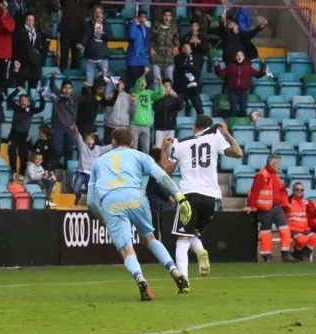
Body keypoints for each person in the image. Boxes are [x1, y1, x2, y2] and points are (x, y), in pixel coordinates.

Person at [87, 127, 192, 300]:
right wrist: (179, 196)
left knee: (127, 249)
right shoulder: (141, 156)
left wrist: (102, 217)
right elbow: (162, 176)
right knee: (149, 238)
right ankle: (174, 270)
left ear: (113, 142)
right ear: (132, 142)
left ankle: (140, 277)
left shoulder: (98, 162)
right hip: (136, 197)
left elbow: (91, 201)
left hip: (111, 202)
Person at [160, 115, 243, 278]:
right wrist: (226, 133)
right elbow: (238, 153)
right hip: (211, 197)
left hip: (189, 194)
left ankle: (183, 279)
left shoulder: (180, 143)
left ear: (194, 127)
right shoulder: (216, 138)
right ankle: (200, 250)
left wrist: (163, 149)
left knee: (182, 239)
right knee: (193, 232)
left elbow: (166, 171)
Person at [244, 155, 298, 262]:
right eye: (278, 164)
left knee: (285, 230)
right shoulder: (262, 175)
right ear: (273, 164)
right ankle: (266, 255)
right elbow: (255, 191)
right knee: (266, 232)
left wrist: (285, 204)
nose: (279, 167)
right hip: (266, 209)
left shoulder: (275, 175)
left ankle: (285, 253)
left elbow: (280, 191)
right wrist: (251, 206)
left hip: (277, 207)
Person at [214, 51, 269, 117]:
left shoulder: (248, 67)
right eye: (237, 55)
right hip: (233, 91)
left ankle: (242, 121)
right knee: (233, 111)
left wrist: (264, 71)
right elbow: (221, 74)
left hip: (244, 92)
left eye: (241, 55)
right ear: (235, 57)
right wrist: (217, 66)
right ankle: (223, 114)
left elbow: (257, 74)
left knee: (243, 111)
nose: (239, 56)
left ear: (244, 57)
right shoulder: (230, 66)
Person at [6, 89, 45, 176]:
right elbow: (9, 99)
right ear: (19, 102)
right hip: (14, 133)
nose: (24, 102)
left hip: (24, 134)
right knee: (12, 150)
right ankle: (13, 171)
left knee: (24, 155)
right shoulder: (16, 108)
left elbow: (41, 108)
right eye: (22, 100)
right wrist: (17, 90)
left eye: (25, 100)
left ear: (28, 102)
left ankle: (22, 173)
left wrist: (41, 96)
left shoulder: (31, 110)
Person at [72, 124, 113, 205]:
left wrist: (115, 144)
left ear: (94, 140)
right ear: (84, 141)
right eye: (87, 140)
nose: (89, 141)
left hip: (91, 175)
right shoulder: (82, 147)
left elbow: (107, 148)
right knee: (75, 190)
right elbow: (78, 137)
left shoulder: (98, 149)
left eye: (91, 139)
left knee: (90, 193)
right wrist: (75, 130)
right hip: (81, 173)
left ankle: (88, 203)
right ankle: (79, 196)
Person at [286, 182, 316, 262]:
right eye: (297, 189)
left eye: (301, 190)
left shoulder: (306, 203)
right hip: (292, 228)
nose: (299, 191)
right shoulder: (288, 202)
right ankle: (298, 255)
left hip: (305, 229)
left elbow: (313, 215)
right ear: (293, 190)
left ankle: (301, 254)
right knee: (303, 239)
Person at [131, 68, 164, 153]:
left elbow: (160, 94)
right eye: (141, 81)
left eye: (144, 82)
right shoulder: (135, 91)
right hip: (134, 124)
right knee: (133, 149)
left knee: (146, 149)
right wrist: (144, 73)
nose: (142, 83)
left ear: (146, 84)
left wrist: (160, 82)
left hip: (146, 125)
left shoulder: (149, 93)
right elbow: (138, 84)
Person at [49, 73, 78, 166]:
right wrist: (52, 78)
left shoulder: (75, 98)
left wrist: (87, 89)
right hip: (58, 127)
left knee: (69, 150)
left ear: (72, 89)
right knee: (56, 149)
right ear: (61, 88)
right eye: (65, 88)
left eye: (69, 88)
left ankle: (67, 169)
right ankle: (54, 169)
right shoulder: (57, 95)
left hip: (69, 127)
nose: (67, 90)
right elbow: (52, 87)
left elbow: (88, 98)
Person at [79, 5, 112, 85]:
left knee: (105, 82)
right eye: (95, 12)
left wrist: (102, 33)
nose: (97, 14)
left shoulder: (106, 24)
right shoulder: (87, 24)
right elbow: (85, 36)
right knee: (89, 83)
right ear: (92, 14)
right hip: (91, 57)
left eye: (100, 12)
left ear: (102, 14)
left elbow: (110, 37)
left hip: (102, 57)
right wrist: (81, 44)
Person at [13, 14, 44, 91]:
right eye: (28, 20)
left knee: (33, 89)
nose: (30, 22)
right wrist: (16, 59)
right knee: (20, 88)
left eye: (32, 20)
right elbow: (15, 46)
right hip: (23, 64)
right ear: (25, 21)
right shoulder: (19, 31)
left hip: (34, 66)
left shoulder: (38, 33)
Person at [149, 9, 179, 87]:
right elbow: (150, 39)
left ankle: (168, 95)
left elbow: (176, 40)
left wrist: (176, 47)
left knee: (169, 80)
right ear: (162, 16)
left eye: (168, 16)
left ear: (171, 17)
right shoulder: (156, 27)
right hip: (156, 58)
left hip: (169, 59)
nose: (166, 17)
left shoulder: (174, 28)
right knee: (156, 80)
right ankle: (156, 95)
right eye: (165, 15)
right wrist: (151, 49)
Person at [173, 42, 204, 116]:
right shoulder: (178, 58)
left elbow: (197, 69)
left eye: (187, 47)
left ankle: (201, 121)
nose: (185, 49)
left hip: (193, 88)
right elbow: (179, 65)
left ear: (191, 49)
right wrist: (187, 63)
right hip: (182, 88)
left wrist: (187, 65)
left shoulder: (196, 58)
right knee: (177, 107)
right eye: (184, 47)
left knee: (199, 108)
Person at [125, 10, 150, 92]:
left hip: (142, 60)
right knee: (131, 83)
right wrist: (134, 23)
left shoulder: (147, 29)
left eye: (144, 17)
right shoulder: (133, 26)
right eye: (141, 17)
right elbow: (131, 35)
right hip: (133, 59)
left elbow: (147, 43)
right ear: (137, 18)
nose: (142, 19)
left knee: (142, 83)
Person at [153, 78, 180, 151]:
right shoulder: (157, 97)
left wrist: (177, 97)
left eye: (168, 85)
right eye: (165, 85)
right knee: (158, 150)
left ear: (171, 87)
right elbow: (155, 108)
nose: (167, 87)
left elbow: (179, 107)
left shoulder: (174, 98)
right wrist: (161, 96)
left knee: (170, 150)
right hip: (159, 128)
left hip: (171, 128)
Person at [103, 77, 131, 145]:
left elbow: (132, 112)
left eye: (120, 83)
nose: (118, 85)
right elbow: (103, 110)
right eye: (117, 83)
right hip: (110, 125)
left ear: (123, 85)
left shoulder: (128, 97)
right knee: (109, 147)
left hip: (123, 127)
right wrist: (108, 102)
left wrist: (134, 104)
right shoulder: (108, 95)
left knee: (123, 147)